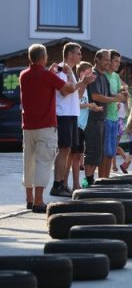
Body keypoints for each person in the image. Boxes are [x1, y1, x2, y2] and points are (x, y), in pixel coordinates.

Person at [19, 44, 76, 213]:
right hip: (46, 126)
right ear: (43, 58)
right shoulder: (47, 76)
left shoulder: (23, 75)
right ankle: (39, 202)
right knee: (43, 163)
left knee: (28, 163)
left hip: (28, 126)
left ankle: (29, 199)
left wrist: (50, 73)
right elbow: (69, 88)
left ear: (30, 58)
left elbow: (39, 85)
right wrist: (69, 74)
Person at [84, 49, 127, 186]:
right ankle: (88, 182)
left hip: (103, 119)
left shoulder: (104, 76)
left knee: (103, 153)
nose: (108, 63)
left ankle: (100, 181)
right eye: (106, 60)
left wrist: (121, 96)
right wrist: (114, 99)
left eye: (109, 60)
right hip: (93, 119)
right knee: (93, 154)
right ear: (97, 59)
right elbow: (95, 96)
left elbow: (111, 94)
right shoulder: (93, 74)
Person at [50, 42, 86, 197]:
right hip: (63, 114)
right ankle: (57, 185)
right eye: (78, 53)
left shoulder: (70, 71)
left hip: (71, 114)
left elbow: (75, 95)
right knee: (63, 149)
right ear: (70, 54)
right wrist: (81, 82)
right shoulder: (61, 70)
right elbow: (65, 92)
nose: (80, 56)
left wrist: (83, 83)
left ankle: (63, 184)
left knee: (68, 150)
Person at [68, 62, 101, 190]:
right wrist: (89, 105)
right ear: (82, 73)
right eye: (89, 72)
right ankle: (73, 184)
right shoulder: (80, 86)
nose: (92, 75)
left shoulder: (86, 88)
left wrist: (93, 107)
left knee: (77, 157)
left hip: (81, 126)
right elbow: (75, 104)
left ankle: (75, 184)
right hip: (76, 124)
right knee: (73, 157)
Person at [98, 49, 124, 179]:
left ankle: (106, 179)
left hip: (115, 116)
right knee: (105, 151)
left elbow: (120, 94)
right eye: (115, 61)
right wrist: (116, 97)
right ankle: (101, 179)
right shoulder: (103, 76)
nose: (118, 64)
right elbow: (106, 95)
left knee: (111, 151)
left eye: (119, 62)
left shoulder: (116, 77)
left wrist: (123, 94)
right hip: (105, 117)